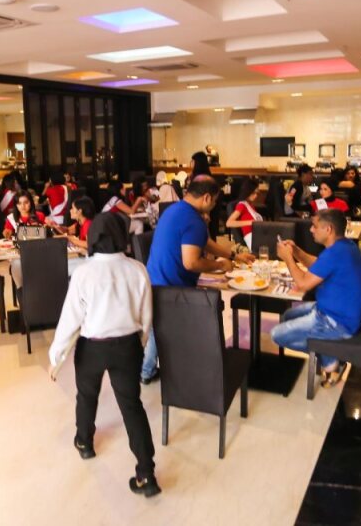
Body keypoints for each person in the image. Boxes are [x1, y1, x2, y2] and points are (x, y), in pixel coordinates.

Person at [48, 212, 160, 498]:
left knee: (87, 396)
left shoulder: (83, 273)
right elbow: (147, 316)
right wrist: (139, 343)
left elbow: (70, 318)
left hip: (92, 347)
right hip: (127, 347)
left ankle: (84, 442)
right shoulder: (137, 269)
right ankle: (147, 474)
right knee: (132, 406)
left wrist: (55, 356)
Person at [141, 177, 255, 383]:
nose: (214, 206)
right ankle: (189, 370)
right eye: (215, 201)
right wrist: (220, 266)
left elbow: (205, 242)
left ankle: (146, 371)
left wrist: (233, 255)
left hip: (153, 281)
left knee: (157, 329)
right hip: (173, 291)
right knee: (194, 322)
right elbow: (191, 263)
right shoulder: (193, 220)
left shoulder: (175, 210)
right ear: (207, 197)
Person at [271, 209, 361, 387]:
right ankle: (328, 349)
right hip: (336, 311)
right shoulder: (344, 246)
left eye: (315, 226)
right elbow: (318, 265)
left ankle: (330, 356)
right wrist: (296, 252)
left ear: (328, 229)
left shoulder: (335, 253)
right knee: (288, 315)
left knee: (277, 335)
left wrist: (287, 258)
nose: (311, 230)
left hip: (337, 322)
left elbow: (303, 284)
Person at [225, 179, 263, 249]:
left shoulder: (251, 205)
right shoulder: (242, 205)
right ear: (247, 192)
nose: (256, 196)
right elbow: (229, 223)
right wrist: (250, 222)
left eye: (257, 193)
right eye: (253, 193)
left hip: (258, 235)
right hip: (251, 236)